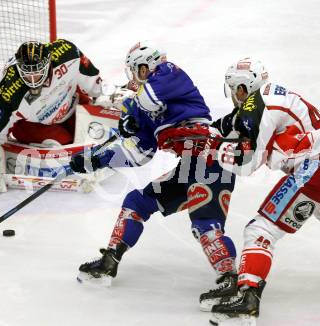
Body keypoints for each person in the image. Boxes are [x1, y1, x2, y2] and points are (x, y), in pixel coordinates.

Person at [207, 57, 320, 325]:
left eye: (234, 89)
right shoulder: (272, 94)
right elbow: (238, 122)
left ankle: (248, 298)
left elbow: (248, 163)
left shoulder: (258, 107)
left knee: (259, 230)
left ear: (243, 88)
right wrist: (211, 130)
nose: (233, 95)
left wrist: (216, 149)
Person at [70, 42, 238, 304]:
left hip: (211, 157)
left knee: (205, 224)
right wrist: (96, 159)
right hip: (188, 166)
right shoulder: (142, 104)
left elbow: (148, 98)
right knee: (137, 202)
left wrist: (129, 111)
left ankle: (232, 283)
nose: (132, 78)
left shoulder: (168, 73)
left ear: (145, 66)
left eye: (135, 71)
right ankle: (109, 261)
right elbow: (139, 153)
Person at [0, 39, 104, 146]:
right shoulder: (11, 89)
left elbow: (91, 79)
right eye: (28, 75)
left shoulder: (67, 53)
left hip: (71, 106)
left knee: (99, 126)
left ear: (48, 64)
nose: (33, 80)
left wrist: (101, 96)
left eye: (37, 73)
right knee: (65, 144)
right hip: (34, 125)